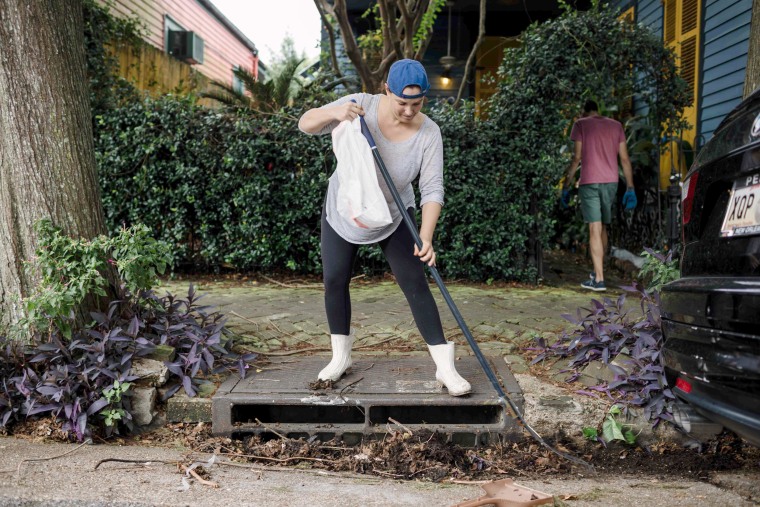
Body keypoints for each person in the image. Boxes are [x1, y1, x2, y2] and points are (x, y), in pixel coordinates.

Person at [297, 59, 471, 396]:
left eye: (416, 104)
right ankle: (340, 358)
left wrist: (426, 236)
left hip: (394, 212)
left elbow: (432, 188)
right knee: (334, 279)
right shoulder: (361, 104)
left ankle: (445, 367)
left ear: (425, 98)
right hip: (347, 207)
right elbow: (306, 122)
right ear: (386, 90)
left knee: (415, 282)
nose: (408, 111)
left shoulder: (429, 133)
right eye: (401, 102)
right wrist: (336, 113)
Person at [562, 100, 637, 291]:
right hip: (611, 182)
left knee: (594, 228)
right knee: (603, 226)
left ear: (584, 111)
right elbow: (625, 159)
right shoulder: (616, 125)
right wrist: (630, 187)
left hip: (590, 182)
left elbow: (577, 158)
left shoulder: (581, 124)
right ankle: (597, 272)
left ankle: (599, 281)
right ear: (598, 110)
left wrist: (566, 184)